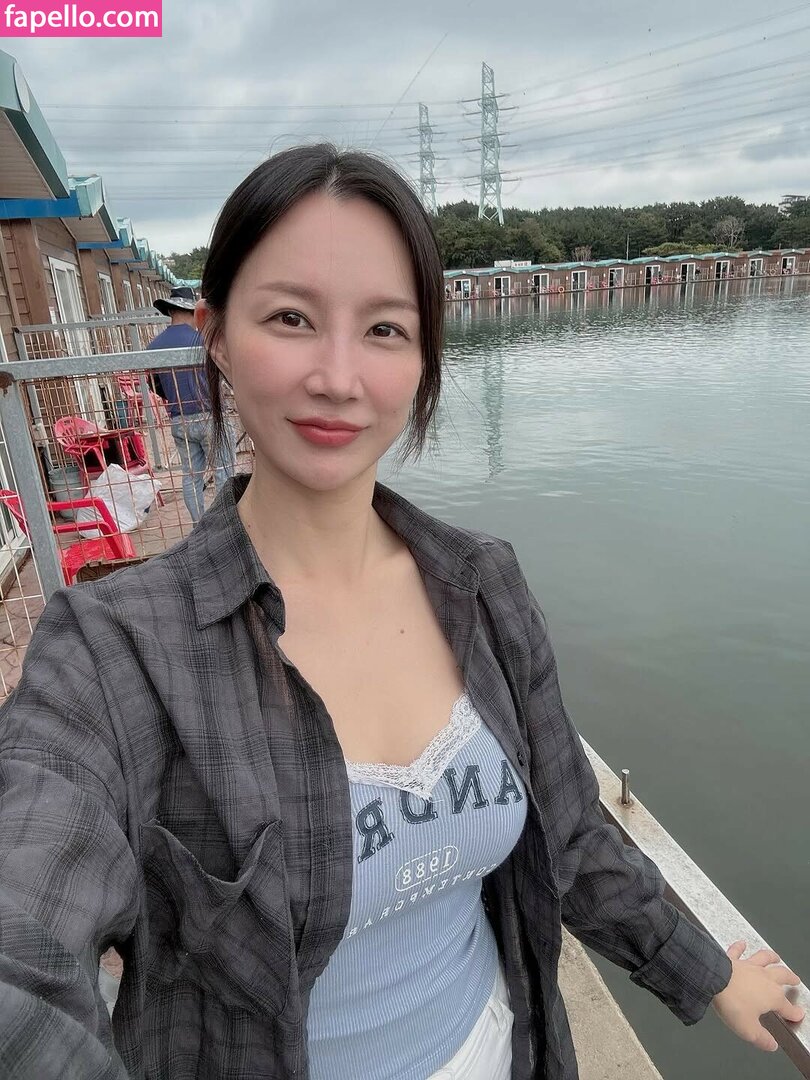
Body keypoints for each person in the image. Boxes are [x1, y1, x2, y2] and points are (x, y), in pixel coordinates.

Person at [0, 145, 803, 1080]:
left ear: (423, 358)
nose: (339, 377)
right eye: (291, 318)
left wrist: (708, 972)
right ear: (214, 335)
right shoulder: (116, 653)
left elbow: (571, 833)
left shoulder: (482, 586)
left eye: (384, 329)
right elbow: (25, 931)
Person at [148, 285, 237, 522]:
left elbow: (155, 385)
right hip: (211, 415)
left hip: (180, 419)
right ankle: (225, 523)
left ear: (170, 311)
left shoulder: (154, 346)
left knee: (191, 476)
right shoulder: (205, 341)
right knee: (224, 471)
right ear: (194, 312)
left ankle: (199, 525)